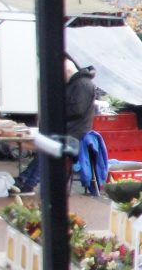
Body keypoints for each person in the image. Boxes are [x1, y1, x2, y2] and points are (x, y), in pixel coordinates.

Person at [15, 58, 96, 193]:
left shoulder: (82, 84)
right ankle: (25, 179)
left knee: (48, 148)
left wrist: (55, 113)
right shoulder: (78, 83)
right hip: (71, 133)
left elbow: (77, 110)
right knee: (46, 146)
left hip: (75, 136)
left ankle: (28, 182)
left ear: (67, 71)